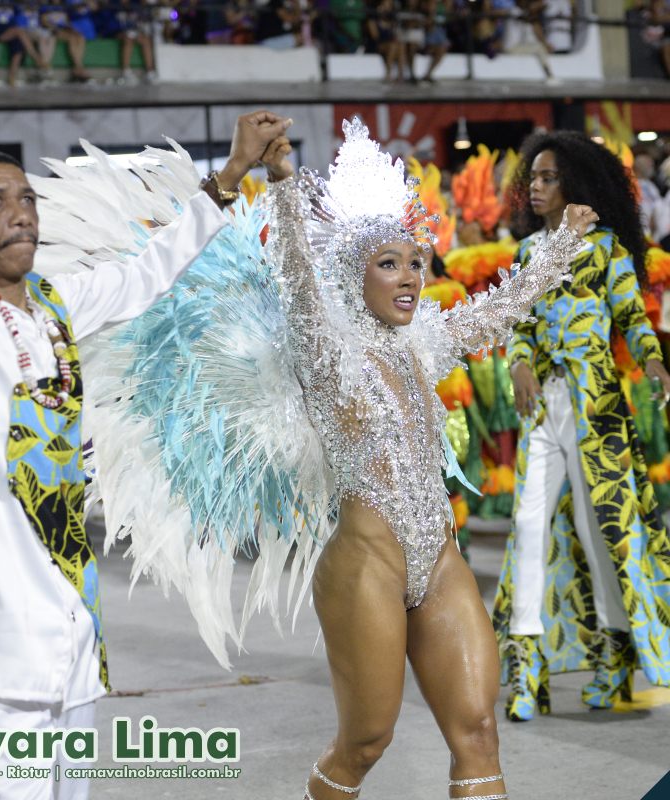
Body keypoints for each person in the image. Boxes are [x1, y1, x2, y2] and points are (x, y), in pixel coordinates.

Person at [0, 15, 291, 800]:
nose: (22, 211)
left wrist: (229, 177)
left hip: (71, 626)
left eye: (27, 197)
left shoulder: (54, 306)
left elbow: (148, 272)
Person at [258, 121, 594, 800]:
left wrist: (561, 245)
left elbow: (501, 306)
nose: (411, 277)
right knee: (366, 742)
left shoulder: (424, 343)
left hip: (437, 558)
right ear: (355, 277)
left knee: (477, 731)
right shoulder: (329, 356)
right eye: (389, 263)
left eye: (416, 261)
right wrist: (284, 182)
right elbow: (297, 275)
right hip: (365, 568)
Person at [494, 130, 670, 722]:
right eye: (533, 178)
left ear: (575, 182)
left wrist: (652, 360)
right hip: (542, 408)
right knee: (526, 528)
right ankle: (526, 669)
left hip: (598, 413)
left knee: (602, 540)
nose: (535, 187)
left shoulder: (606, 251)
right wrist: (518, 361)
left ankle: (612, 661)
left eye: (547, 177)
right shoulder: (528, 254)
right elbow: (518, 320)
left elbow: (631, 317)